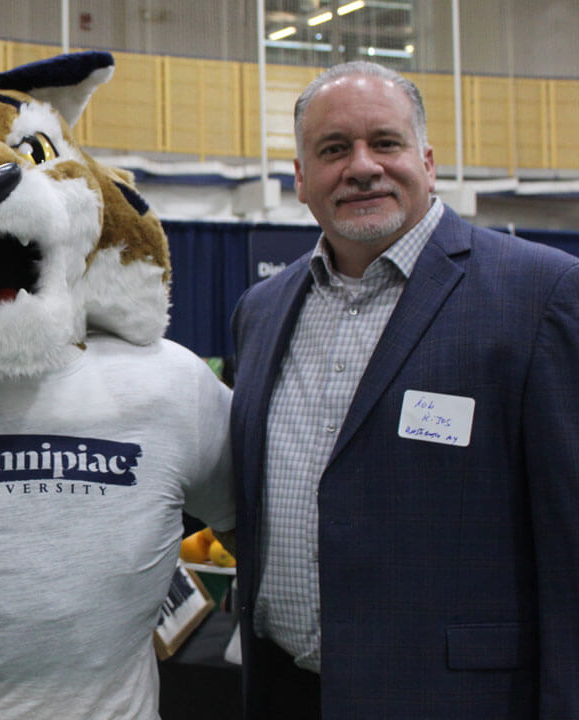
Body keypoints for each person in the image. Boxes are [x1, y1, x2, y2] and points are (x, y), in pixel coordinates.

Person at [230, 61, 579, 719]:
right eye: (333, 150)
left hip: (452, 700)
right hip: (285, 692)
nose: (361, 167)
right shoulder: (261, 310)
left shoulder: (541, 296)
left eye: (384, 143)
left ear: (427, 159)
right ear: (301, 179)